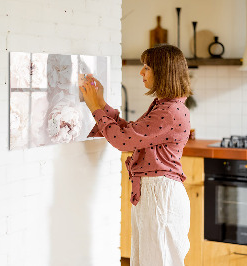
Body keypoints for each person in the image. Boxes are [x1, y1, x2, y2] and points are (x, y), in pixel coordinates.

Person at [80, 44, 192, 266]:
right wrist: (101, 103)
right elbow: (131, 133)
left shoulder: (169, 111)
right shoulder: (165, 106)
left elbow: (123, 141)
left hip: (160, 195)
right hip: (155, 193)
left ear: (163, 72)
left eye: (147, 67)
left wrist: (95, 108)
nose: (141, 72)